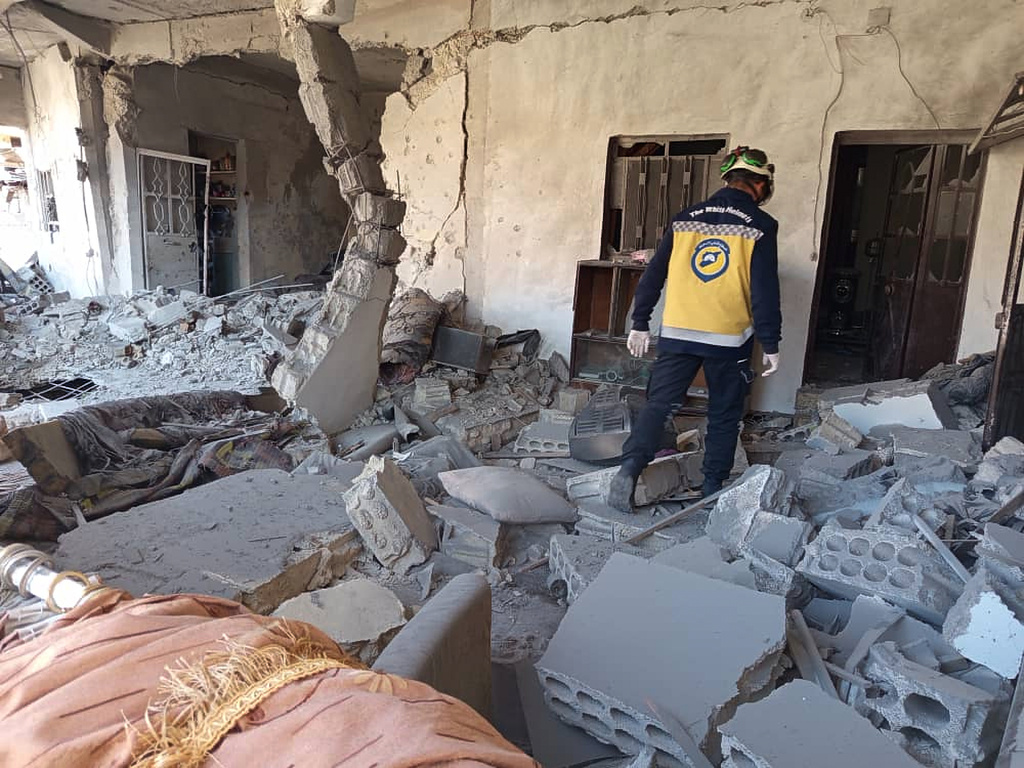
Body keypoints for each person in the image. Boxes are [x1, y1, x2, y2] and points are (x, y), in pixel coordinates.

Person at [607, 146, 782, 512]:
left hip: (678, 331)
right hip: (728, 337)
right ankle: (711, 487)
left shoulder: (685, 217)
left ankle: (630, 467)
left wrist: (640, 322)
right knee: (723, 413)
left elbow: (654, 273)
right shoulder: (761, 225)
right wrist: (770, 341)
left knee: (659, 404)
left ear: (726, 179)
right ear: (761, 184)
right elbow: (764, 289)